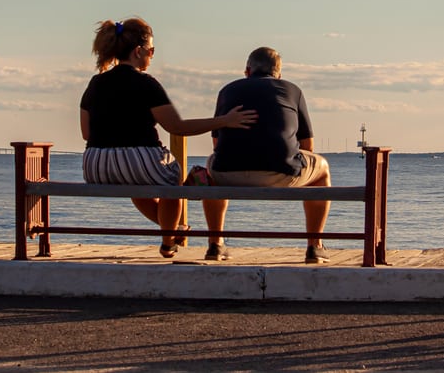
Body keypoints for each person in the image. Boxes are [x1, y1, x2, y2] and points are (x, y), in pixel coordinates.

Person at [80, 18, 257, 258]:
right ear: (138, 51)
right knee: (172, 179)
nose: (152, 56)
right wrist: (224, 121)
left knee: (136, 182)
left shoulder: (96, 82)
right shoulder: (146, 83)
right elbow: (177, 127)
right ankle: (167, 242)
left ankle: (173, 232)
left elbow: (86, 133)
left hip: (95, 165)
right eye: (151, 50)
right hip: (137, 158)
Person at [202, 46, 332, 264]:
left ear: (247, 70)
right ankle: (314, 247)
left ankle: (215, 244)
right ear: (279, 74)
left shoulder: (227, 90)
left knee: (210, 166)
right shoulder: (292, 90)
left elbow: (217, 143)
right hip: (281, 173)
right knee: (323, 169)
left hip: (227, 173)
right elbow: (307, 145)